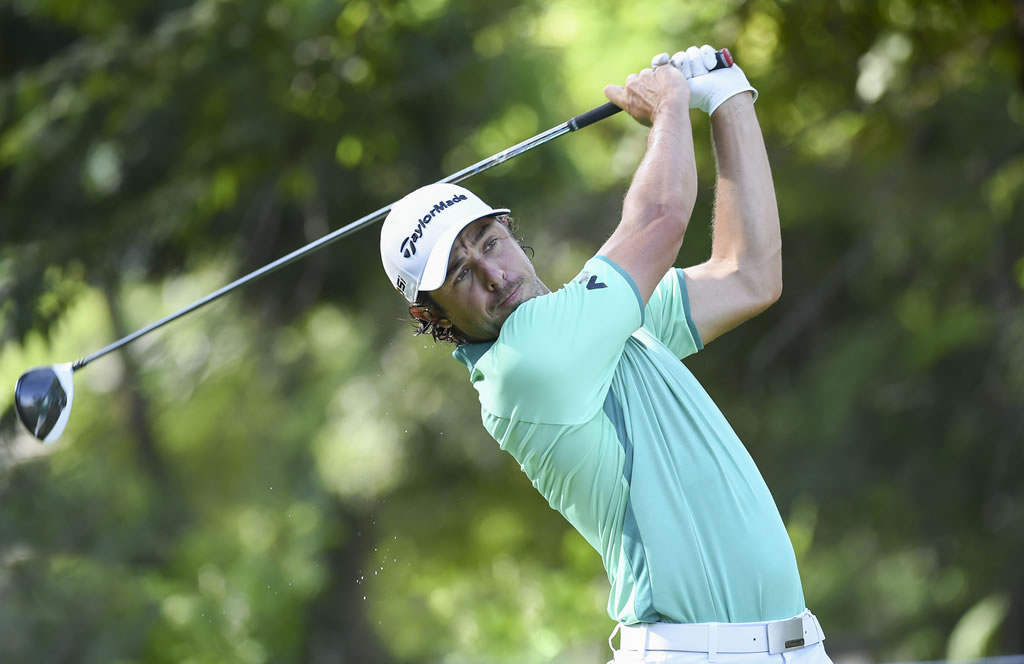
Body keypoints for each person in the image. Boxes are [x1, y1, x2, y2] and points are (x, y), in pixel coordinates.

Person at [379, 45, 831, 664]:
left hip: (793, 645)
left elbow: (749, 273)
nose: (491, 272)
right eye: (459, 273)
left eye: (490, 241)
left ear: (513, 233)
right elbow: (661, 216)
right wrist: (671, 105)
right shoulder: (525, 367)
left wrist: (728, 98)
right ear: (429, 316)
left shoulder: (599, 323)